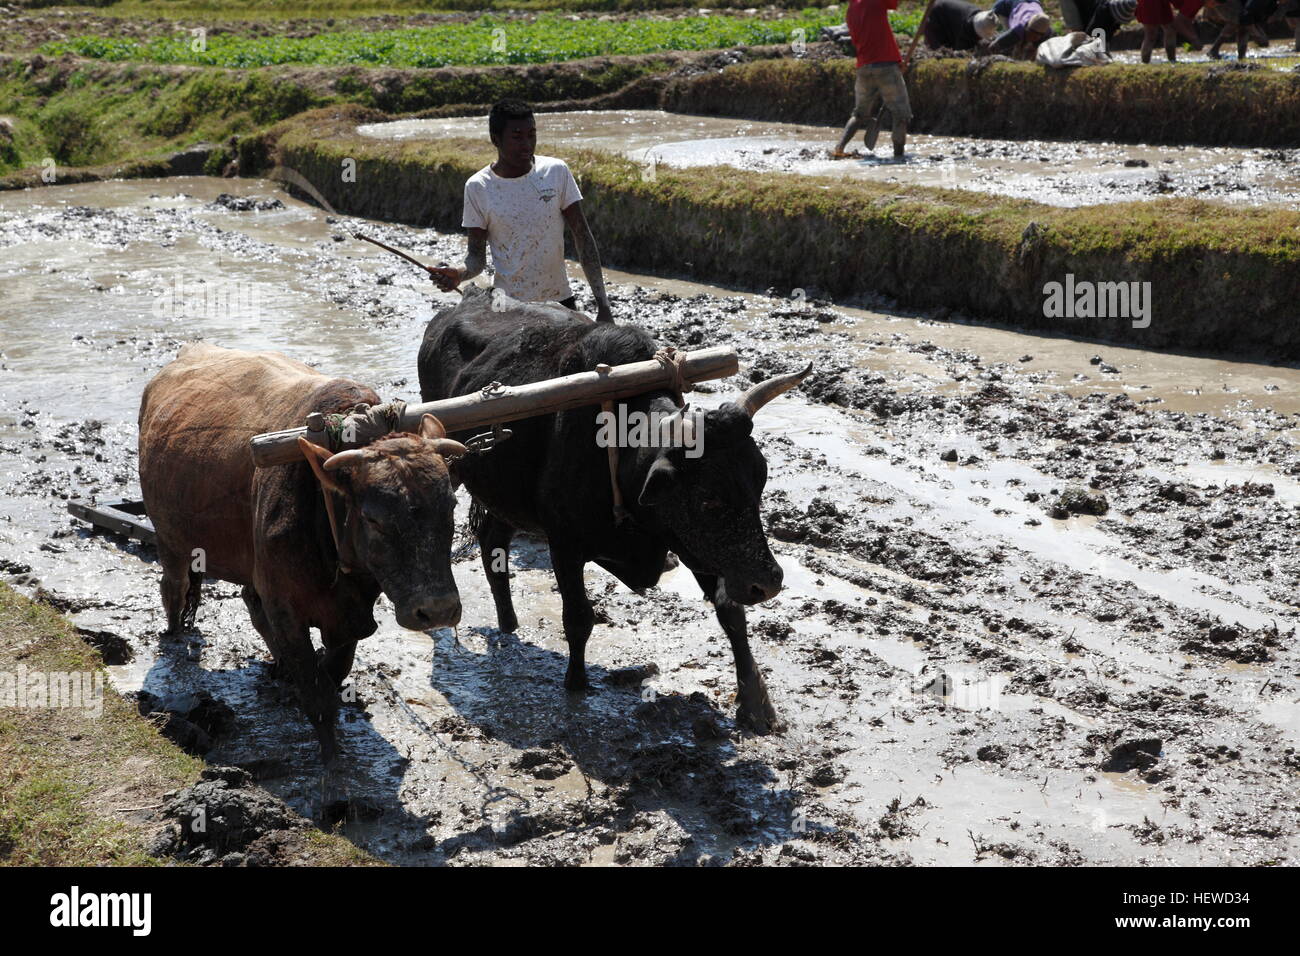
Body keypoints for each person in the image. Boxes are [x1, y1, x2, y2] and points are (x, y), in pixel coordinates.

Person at [428, 99, 613, 322]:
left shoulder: (556, 172)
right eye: (517, 137)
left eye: (531, 134)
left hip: (559, 302)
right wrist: (458, 273)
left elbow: (583, 237)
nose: (527, 144)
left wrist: (603, 305)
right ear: (496, 140)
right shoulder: (478, 187)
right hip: (509, 308)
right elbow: (476, 258)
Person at [831, 0, 913, 160]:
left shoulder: (851, 9)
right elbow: (895, 4)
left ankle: (839, 148)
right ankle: (899, 157)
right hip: (886, 66)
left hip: (864, 67)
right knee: (901, 114)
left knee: (859, 113)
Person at [987, 0, 1055, 58]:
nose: (1031, 38)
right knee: (1013, 45)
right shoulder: (1018, 28)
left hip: (1030, 3)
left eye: (1034, 37)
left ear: (1041, 35)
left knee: (1032, 48)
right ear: (1026, 28)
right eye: (1029, 34)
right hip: (1005, 7)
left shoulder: (1047, 31)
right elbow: (994, 45)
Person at [923, 0, 1001, 49]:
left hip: (949, 17)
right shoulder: (967, 26)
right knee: (938, 50)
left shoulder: (981, 17)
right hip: (936, 16)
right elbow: (960, 48)